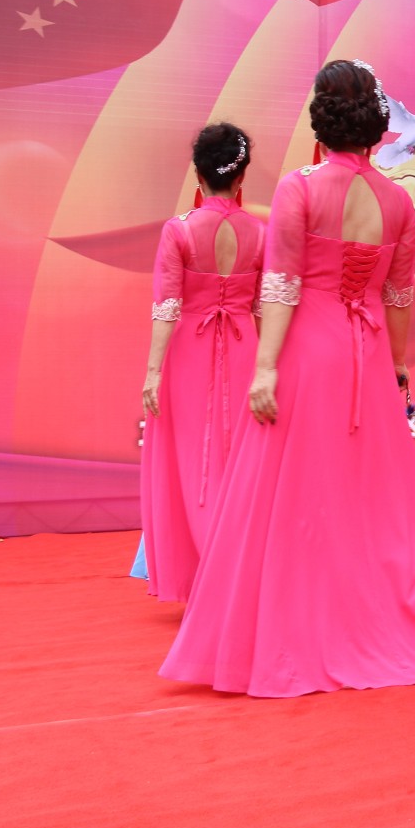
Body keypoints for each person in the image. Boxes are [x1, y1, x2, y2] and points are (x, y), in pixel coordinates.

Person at [160, 60, 415, 696]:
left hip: (307, 354)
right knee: (371, 499)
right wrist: (398, 367)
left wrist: (265, 367)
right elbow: (399, 297)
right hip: (368, 354)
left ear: (321, 119)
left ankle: (297, 631)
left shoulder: (301, 188)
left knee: (294, 495)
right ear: (377, 123)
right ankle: (381, 622)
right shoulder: (398, 199)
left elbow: (282, 286)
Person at [136, 123, 265, 600]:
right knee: (239, 462)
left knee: (191, 462)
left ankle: (202, 574)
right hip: (245, 350)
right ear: (241, 176)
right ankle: (238, 571)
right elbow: (263, 308)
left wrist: (153, 372)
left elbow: (167, 306)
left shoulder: (181, 229)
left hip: (188, 354)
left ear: (198, 173)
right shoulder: (261, 232)